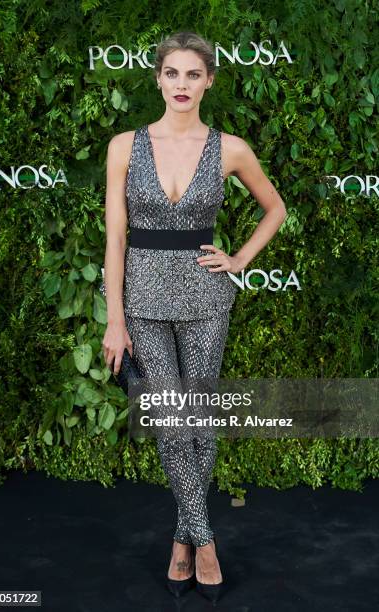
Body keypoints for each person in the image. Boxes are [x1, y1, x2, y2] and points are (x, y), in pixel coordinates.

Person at [102, 31, 287, 603]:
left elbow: (275, 207)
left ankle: (182, 540)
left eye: (193, 75)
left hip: (208, 300)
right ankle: (203, 540)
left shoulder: (230, 148)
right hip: (145, 301)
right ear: (157, 79)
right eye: (172, 74)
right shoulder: (124, 146)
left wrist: (238, 259)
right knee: (171, 422)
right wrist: (115, 319)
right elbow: (115, 238)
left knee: (199, 423)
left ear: (208, 81)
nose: (181, 84)